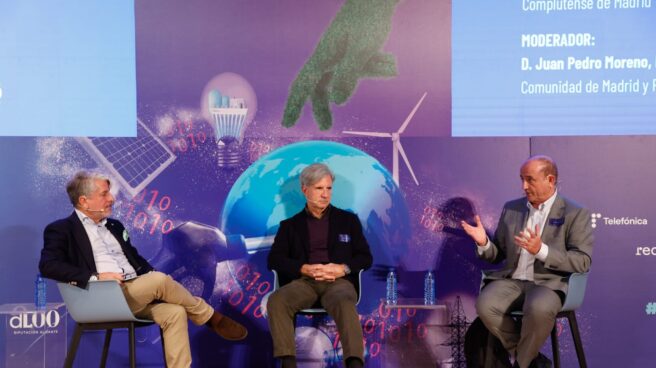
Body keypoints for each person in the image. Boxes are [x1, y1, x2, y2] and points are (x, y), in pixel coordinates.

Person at [39, 171, 248, 368]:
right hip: (100, 297)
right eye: (104, 194)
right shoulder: (61, 229)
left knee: (174, 312)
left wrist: (156, 280)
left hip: (133, 294)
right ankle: (209, 317)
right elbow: (48, 266)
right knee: (158, 280)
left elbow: (137, 262)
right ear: (84, 201)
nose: (111, 199)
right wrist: (96, 276)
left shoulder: (114, 226)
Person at [461, 155, 593, 368]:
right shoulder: (512, 208)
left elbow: (582, 261)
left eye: (530, 179)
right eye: (521, 179)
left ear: (550, 180)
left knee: (538, 308)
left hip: (548, 283)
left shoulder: (575, 213)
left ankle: (522, 364)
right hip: (512, 281)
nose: (524, 186)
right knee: (485, 305)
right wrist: (484, 242)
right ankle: (532, 360)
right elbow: (498, 254)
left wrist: (541, 250)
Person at [266, 163, 372, 368]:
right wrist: (303, 268)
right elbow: (275, 259)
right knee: (277, 300)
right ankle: (288, 363)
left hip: (338, 282)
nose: (325, 194)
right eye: (319, 188)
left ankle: (354, 363)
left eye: (329, 188)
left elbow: (365, 257)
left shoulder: (348, 220)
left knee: (344, 302)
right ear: (305, 190)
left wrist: (342, 268)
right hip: (305, 282)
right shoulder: (289, 226)